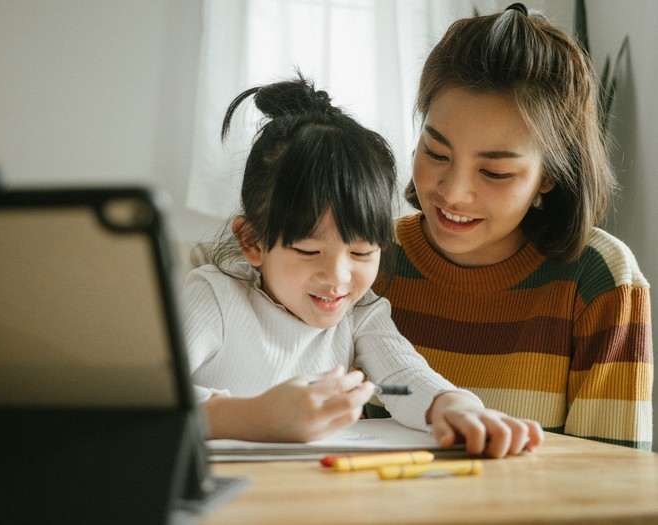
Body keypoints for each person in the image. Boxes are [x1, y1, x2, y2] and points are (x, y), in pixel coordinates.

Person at [182, 73, 544, 457]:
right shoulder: (214, 297)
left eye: (361, 253)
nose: (338, 278)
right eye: (307, 251)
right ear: (252, 242)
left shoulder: (360, 313)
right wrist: (254, 417)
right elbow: (147, 399)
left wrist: (454, 406)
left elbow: (406, 377)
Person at [369, 3, 653, 450]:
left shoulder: (598, 281)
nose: (454, 192)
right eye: (436, 153)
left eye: (495, 173)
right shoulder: (367, 258)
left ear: (550, 175)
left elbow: (608, 484)